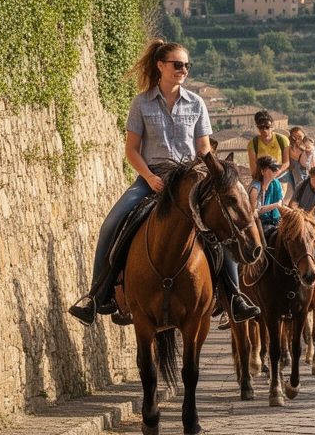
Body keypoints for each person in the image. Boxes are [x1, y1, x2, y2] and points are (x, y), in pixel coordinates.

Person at [69, 40, 260, 326]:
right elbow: (132, 149)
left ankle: (233, 296)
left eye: (186, 65)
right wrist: (148, 177)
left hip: (190, 182)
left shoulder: (196, 103)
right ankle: (98, 296)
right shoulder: (141, 103)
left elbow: (204, 150)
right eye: (178, 64)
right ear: (161, 66)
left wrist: (213, 174)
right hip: (152, 178)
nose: (183, 70)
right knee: (111, 223)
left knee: (220, 224)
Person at [247, 111, 290, 182]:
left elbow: (286, 162)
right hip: (262, 176)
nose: (265, 130)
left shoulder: (282, 140)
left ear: (272, 126)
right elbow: (253, 169)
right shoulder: (253, 144)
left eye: (267, 127)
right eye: (261, 127)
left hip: (280, 175)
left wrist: (277, 173)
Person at [250, 155, 286, 238]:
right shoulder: (255, 189)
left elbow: (280, 202)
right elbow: (255, 211)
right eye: (273, 169)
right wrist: (276, 205)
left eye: (276, 168)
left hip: (276, 221)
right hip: (260, 224)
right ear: (262, 172)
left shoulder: (276, 183)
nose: (276, 171)